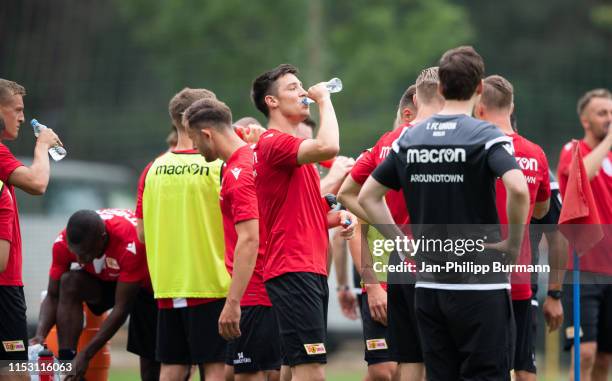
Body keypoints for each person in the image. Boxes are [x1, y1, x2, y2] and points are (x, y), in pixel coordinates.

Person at [359, 46, 530, 381]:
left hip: (429, 288)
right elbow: (519, 189)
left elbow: (368, 196)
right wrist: (512, 246)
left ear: (440, 88)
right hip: (481, 286)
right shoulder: (486, 135)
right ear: (479, 88)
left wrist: (402, 244)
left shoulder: (410, 138)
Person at [251, 64, 356, 381]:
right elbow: (330, 147)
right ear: (272, 102)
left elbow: (302, 210)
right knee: (312, 371)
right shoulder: (274, 141)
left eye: (303, 87)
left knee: (291, 368)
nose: (303, 92)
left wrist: (337, 216)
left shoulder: (292, 151)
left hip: (304, 268)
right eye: (293, 88)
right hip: (294, 268)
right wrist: (325, 100)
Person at [338, 69, 442, 381]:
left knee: (408, 359)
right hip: (429, 263)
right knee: (426, 359)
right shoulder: (449, 137)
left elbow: (347, 194)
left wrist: (392, 233)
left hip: (402, 266)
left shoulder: (388, 144)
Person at [183, 97, 281, 381]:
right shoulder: (254, 157)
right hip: (270, 284)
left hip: (256, 290)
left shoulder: (238, 172)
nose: (194, 148)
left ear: (207, 134)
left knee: (247, 376)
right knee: (264, 372)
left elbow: (250, 239)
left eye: (193, 139)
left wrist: (233, 302)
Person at [136, 88, 230, 381]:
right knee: (214, 366)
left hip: (168, 286)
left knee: (172, 367)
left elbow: (141, 234)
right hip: (211, 284)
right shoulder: (217, 166)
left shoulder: (152, 170)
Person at [475, 75, 551, 381]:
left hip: (475, 276)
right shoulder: (535, 154)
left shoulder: (474, 149)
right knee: (524, 368)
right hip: (519, 273)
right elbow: (543, 211)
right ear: (512, 106)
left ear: (479, 108)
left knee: (478, 365)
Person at [29, 209, 158, 380]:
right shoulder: (63, 243)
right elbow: (53, 295)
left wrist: (87, 354)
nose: (80, 260)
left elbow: (122, 309)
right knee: (68, 282)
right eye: (76, 254)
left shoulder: (130, 242)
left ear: (102, 238)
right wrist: (40, 334)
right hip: (104, 280)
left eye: (85, 253)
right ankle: (68, 365)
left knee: (149, 363)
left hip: (142, 286)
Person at [0, 78, 60, 370]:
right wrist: (43, 145)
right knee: (15, 372)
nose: (22, 117)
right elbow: (37, 183)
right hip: (3, 286)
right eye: (17, 109)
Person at [557, 88, 612, 381]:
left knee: (605, 357)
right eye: (603, 113)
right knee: (585, 353)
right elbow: (583, 174)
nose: (609, 119)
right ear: (585, 120)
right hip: (583, 270)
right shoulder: (574, 148)